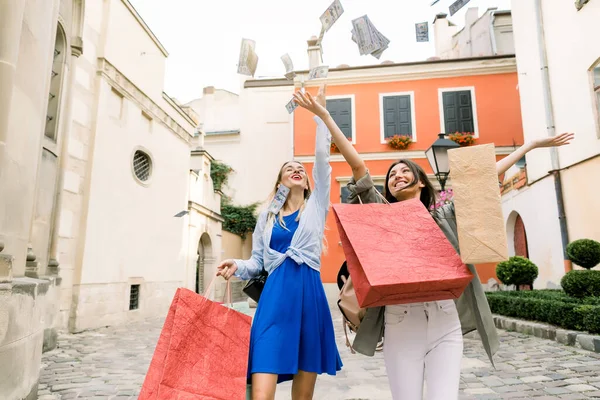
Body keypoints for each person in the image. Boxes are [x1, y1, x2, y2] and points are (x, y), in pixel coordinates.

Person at [292, 87, 574, 400]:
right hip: (401, 322)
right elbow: (358, 167)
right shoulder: (382, 215)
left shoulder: (445, 214)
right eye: (392, 174)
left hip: (445, 319)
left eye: (405, 171)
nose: (397, 176)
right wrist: (325, 115)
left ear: (421, 181)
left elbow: (484, 177)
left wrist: (530, 145)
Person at [216, 85, 342, 400]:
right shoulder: (267, 218)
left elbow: (322, 160)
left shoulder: (315, 208)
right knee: (263, 368)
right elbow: (258, 262)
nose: (297, 170)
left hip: (309, 296)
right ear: (280, 182)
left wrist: (319, 117)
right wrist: (238, 264)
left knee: (303, 389)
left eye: (300, 169)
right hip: (274, 298)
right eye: (290, 169)